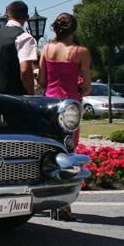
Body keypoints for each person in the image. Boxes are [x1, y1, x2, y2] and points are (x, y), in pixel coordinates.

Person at [37, 13, 91, 223]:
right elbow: (86, 86)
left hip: (49, 104)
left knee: (48, 150)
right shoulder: (81, 52)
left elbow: (42, 79)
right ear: (74, 30)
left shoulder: (47, 49)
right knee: (68, 151)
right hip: (69, 106)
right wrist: (77, 89)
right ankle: (63, 205)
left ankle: (47, 200)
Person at [0, 0, 38, 95]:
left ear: (7, 16)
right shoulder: (25, 38)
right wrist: (31, 95)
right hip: (15, 99)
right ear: (27, 18)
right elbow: (25, 70)